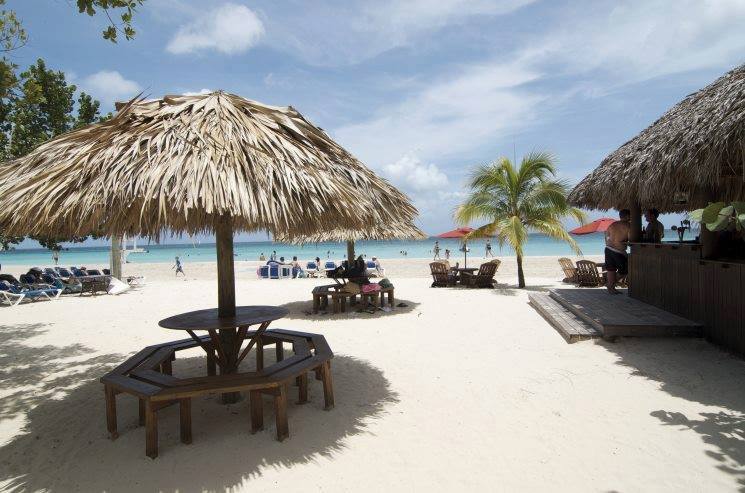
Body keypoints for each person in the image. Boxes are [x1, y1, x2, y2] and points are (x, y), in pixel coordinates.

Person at [604, 209, 630, 294]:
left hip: (608, 249)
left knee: (611, 269)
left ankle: (611, 289)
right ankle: (610, 285)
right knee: (625, 270)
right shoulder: (629, 225)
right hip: (618, 251)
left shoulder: (612, 224)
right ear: (627, 216)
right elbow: (632, 239)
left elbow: (606, 236)